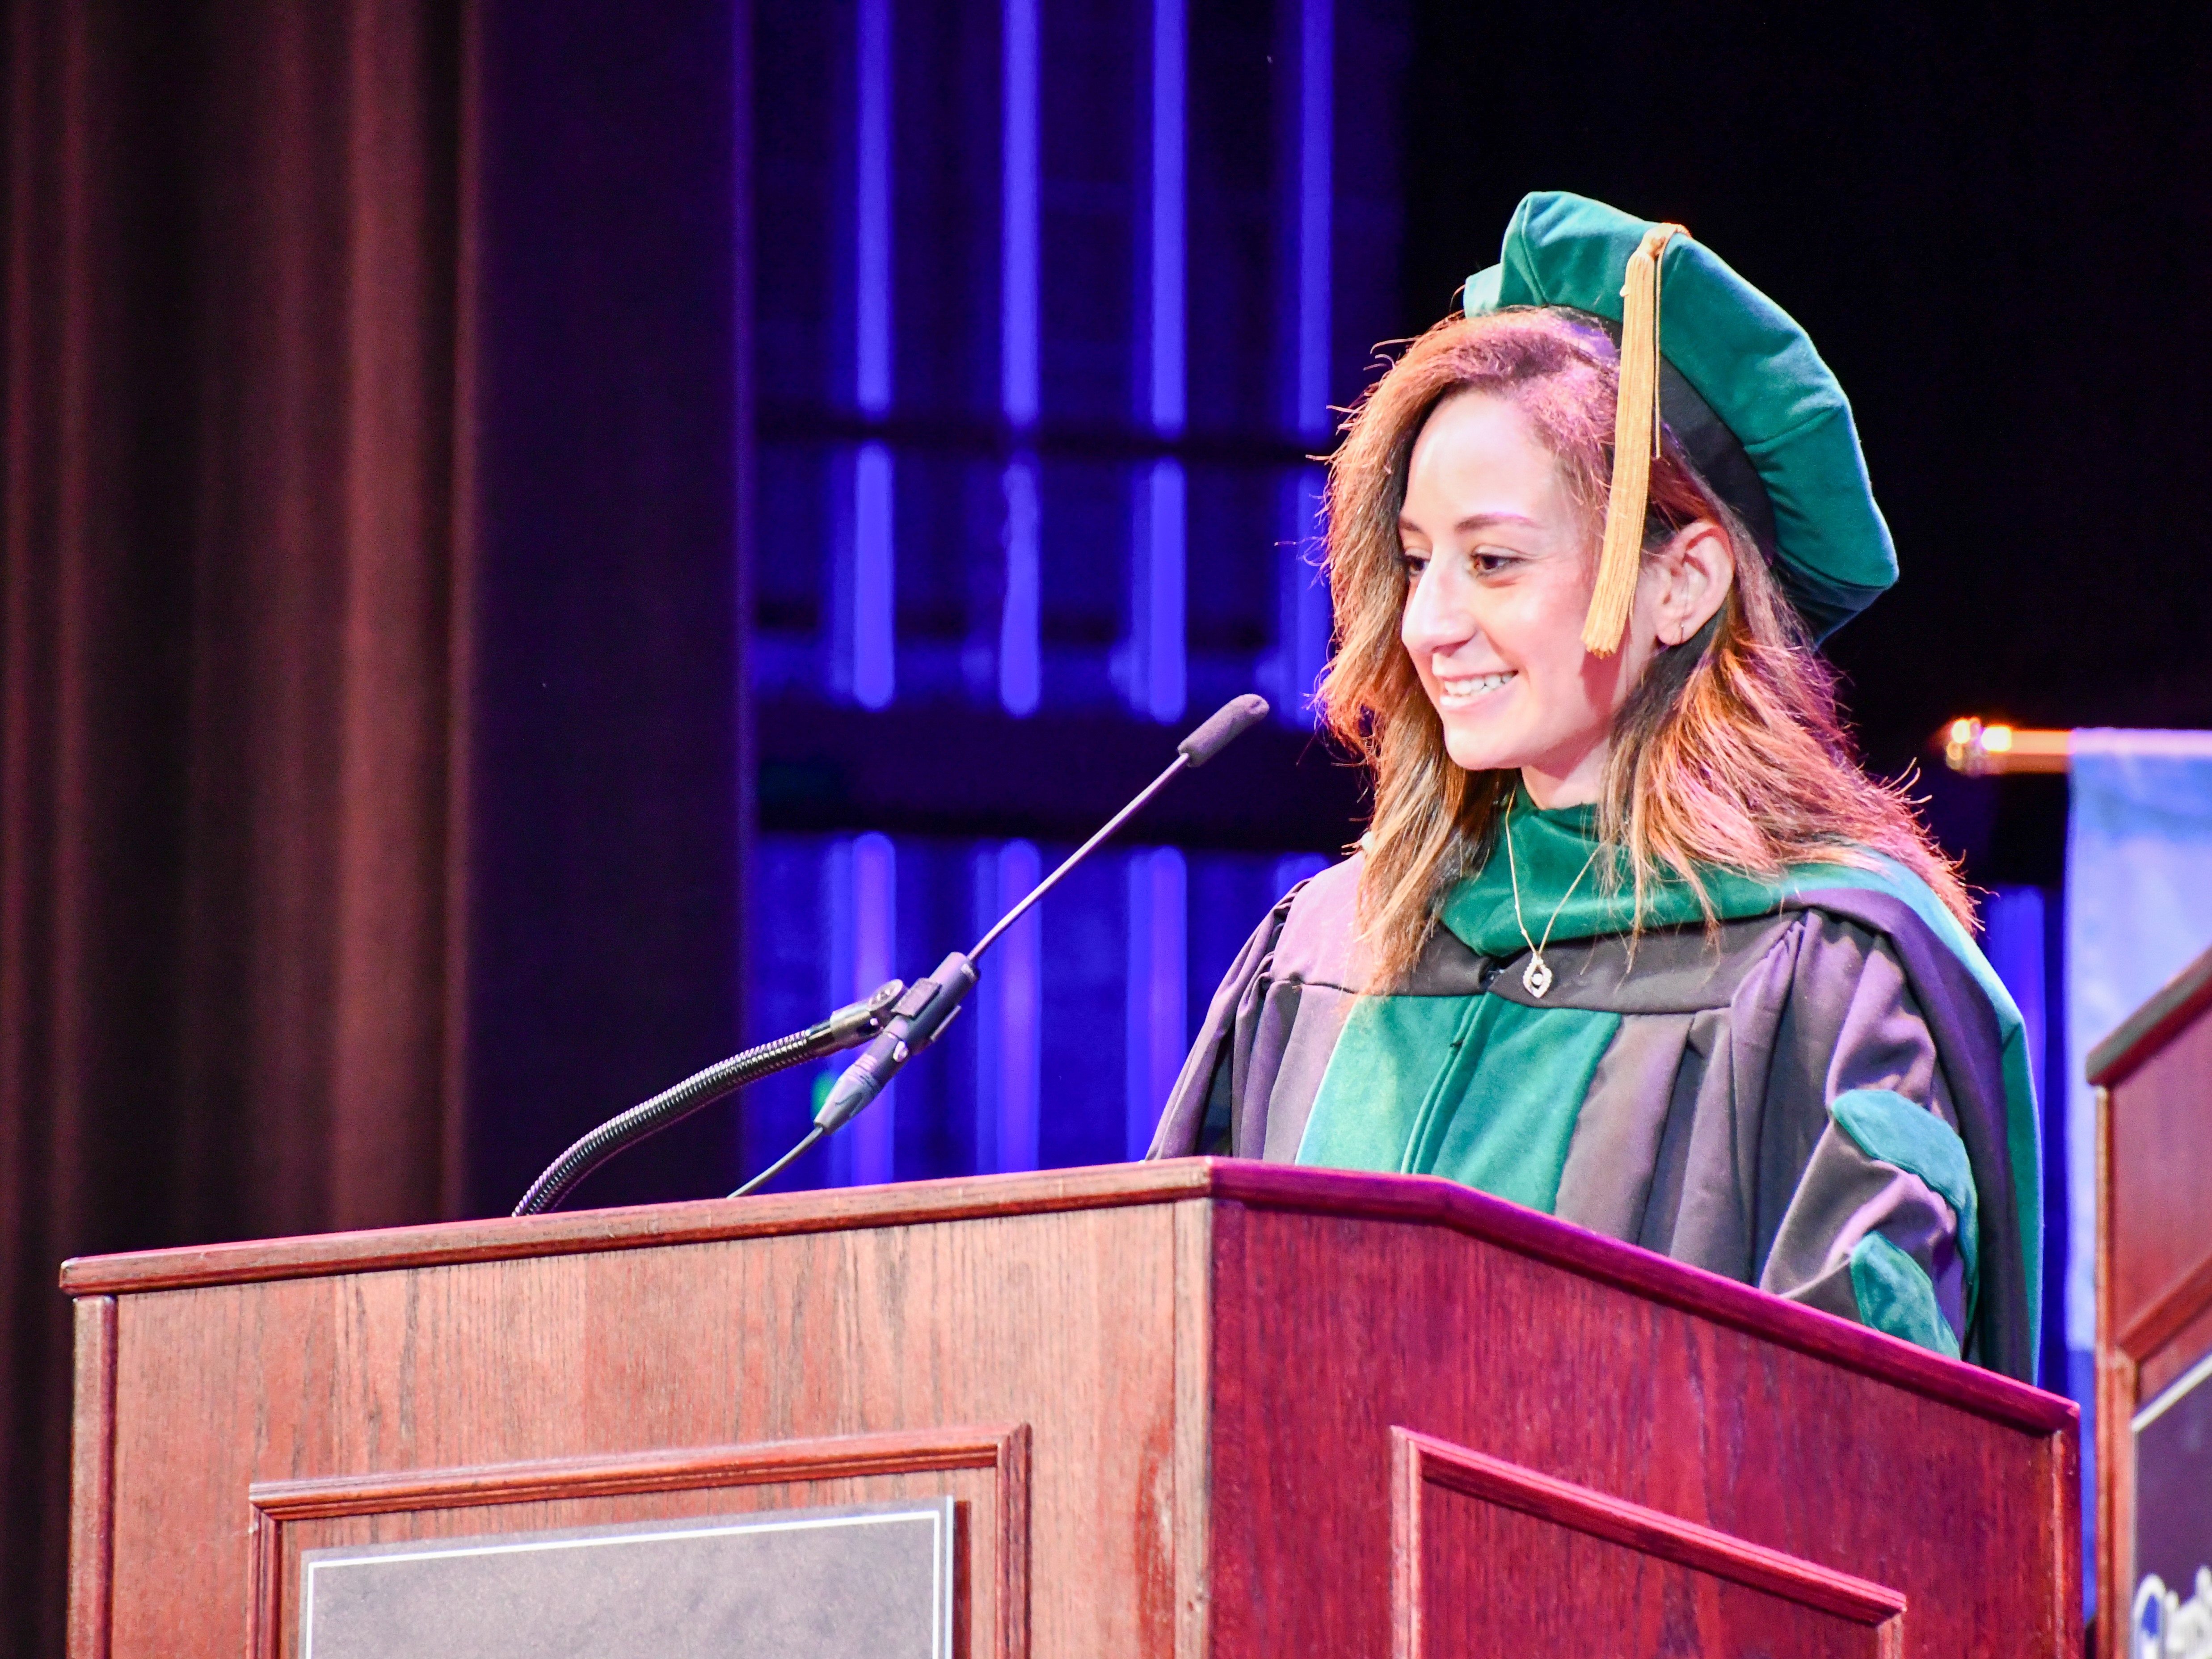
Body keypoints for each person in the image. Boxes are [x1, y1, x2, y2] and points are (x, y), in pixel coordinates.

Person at [1147, 191, 2041, 1381]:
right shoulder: (1322, 955)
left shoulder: (1818, 979)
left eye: (1495, 561)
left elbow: (1864, 1461)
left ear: (1683, 586)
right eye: (1417, 563)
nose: (1431, 624)